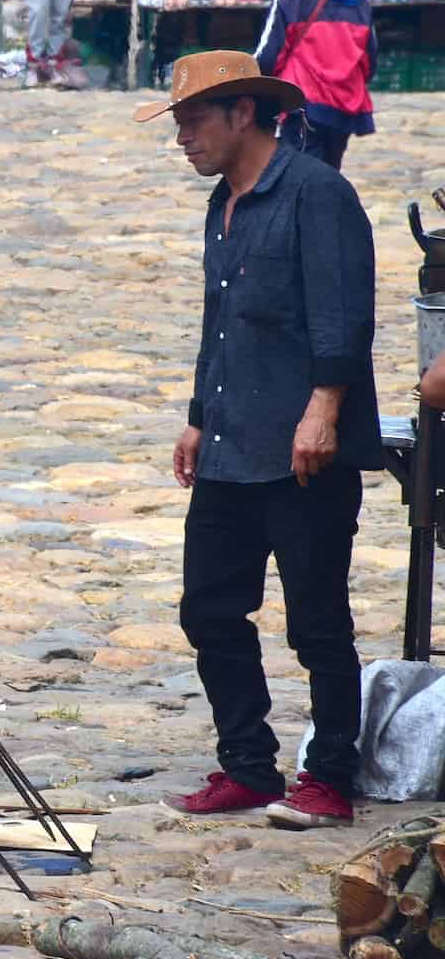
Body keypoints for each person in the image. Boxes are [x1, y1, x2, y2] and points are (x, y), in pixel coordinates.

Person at [134, 50, 381, 830]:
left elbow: (344, 312)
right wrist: (198, 416)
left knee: (317, 621)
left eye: (194, 120)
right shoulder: (225, 205)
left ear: (244, 113)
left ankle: (329, 777)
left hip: (305, 447)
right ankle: (247, 764)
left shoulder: (317, 193)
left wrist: (325, 408)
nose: (183, 138)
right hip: (231, 441)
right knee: (208, 608)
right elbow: (223, 322)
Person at [254, 0, 375, 172]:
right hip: (343, 108)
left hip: (302, 103)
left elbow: (267, 59)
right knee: (328, 175)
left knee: (298, 179)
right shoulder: (360, 3)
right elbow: (369, 62)